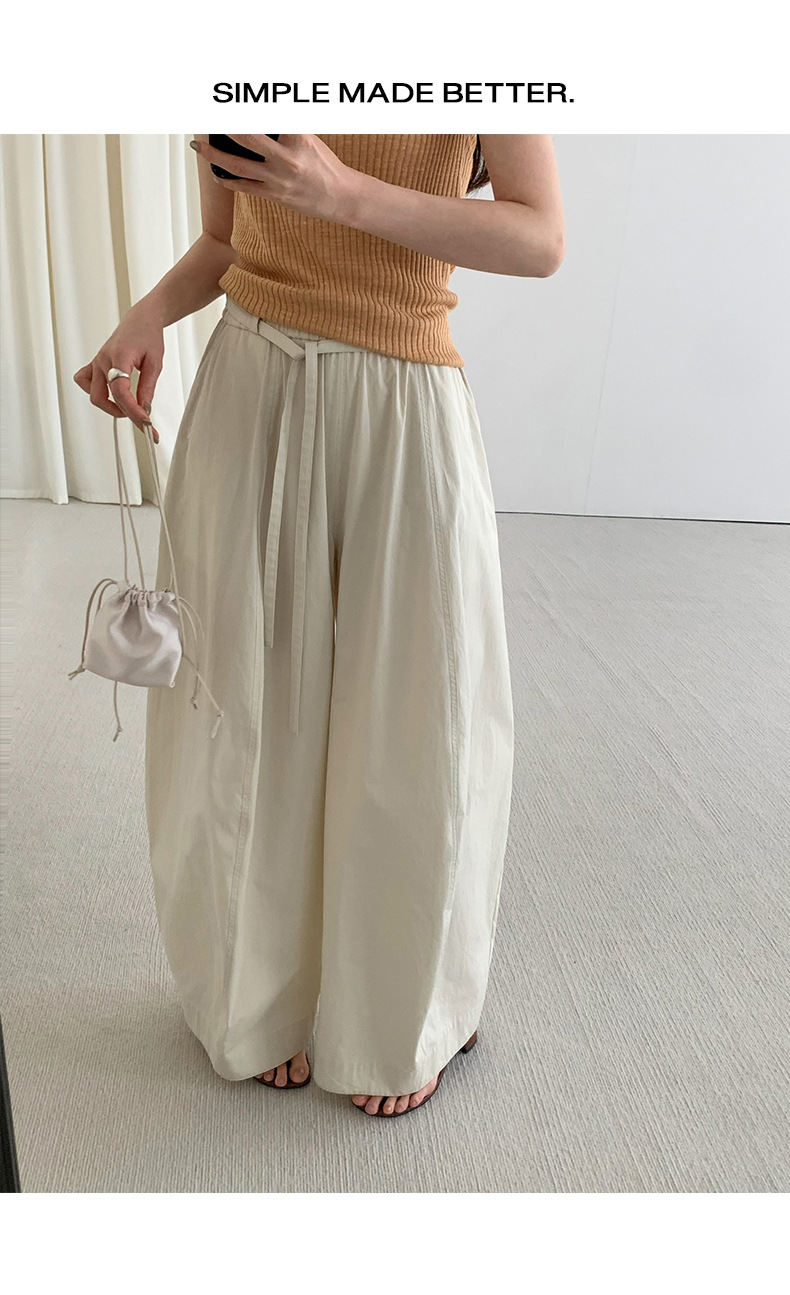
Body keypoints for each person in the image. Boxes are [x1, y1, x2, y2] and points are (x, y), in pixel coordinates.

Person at [74, 134, 564, 1118]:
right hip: (250, 388)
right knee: (241, 718)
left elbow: (540, 237)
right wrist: (147, 314)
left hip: (402, 401)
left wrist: (341, 191)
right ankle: (257, 996)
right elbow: (229, 240)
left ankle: (407, 1012)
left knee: (417, 722)